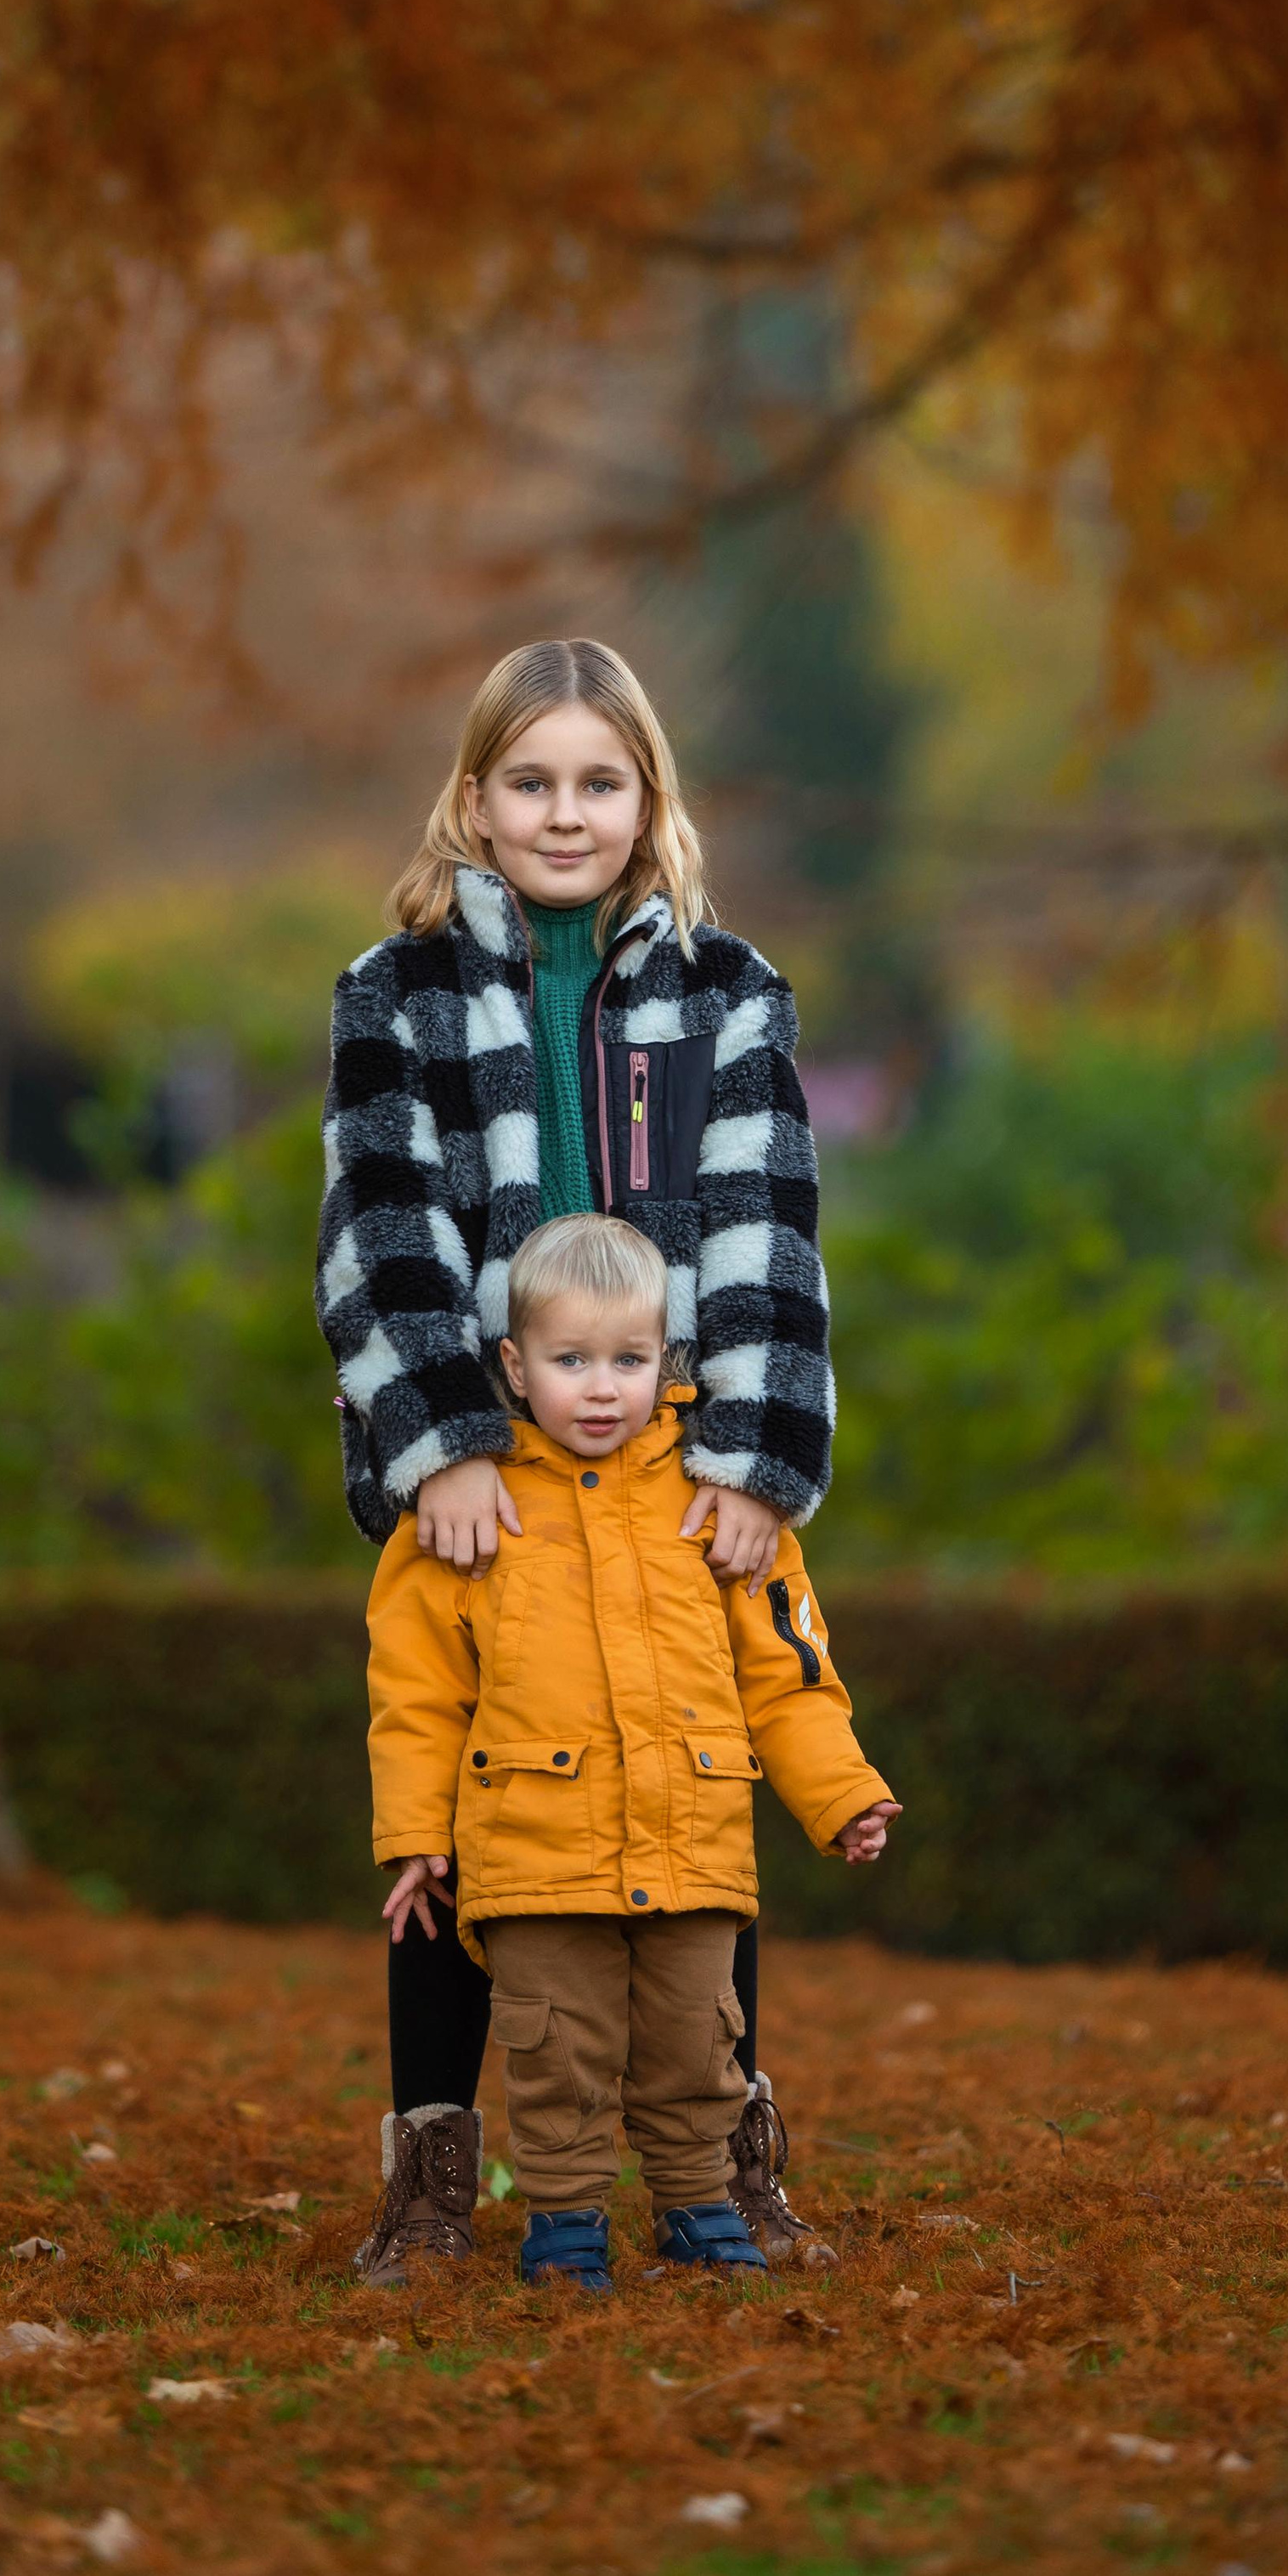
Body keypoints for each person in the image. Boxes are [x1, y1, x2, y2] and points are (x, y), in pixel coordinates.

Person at [316, 636, 841, 2283]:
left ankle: (723, 2152)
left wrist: (751, 1461)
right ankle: (430, 2165)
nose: (563, 812)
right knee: (465, 1805)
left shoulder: (722, 993)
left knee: (692, 1784)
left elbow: (765, 1231)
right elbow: (379, 1232)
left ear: (645, 801)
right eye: (529, 781)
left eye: (596, 782)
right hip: (483, 1471)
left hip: (665, 1456)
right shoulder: (391, 993)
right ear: (473, 800)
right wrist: (441, 1452)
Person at [365, 1216, 897, 2291]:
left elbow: (786, 1670)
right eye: (570, 1361)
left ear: (671, 1359)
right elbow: (417, 1694)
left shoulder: (719, 1508)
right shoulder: (471, 1514)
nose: (601, 1389)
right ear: (514, 1367)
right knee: (557, 2052)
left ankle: (700, 2206)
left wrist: (840, 1792)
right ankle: (563, 2223)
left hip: (692, 1838)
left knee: (696, 2045)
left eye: (629, 1360)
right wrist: (417, 1832)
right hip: (534, 1853)